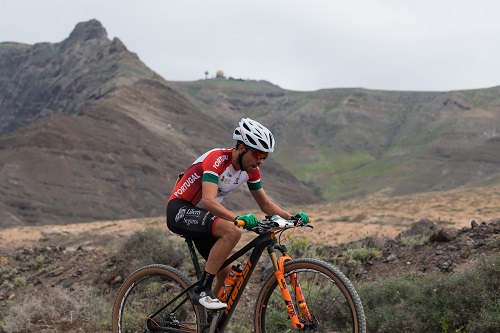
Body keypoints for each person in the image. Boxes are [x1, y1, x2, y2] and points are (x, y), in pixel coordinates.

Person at [166, 117, 309, 310]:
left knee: (230, 274)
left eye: (264, 157)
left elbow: (265, 205)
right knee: (233, 231)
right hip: (180, 210)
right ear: (242, 148)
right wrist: (236, 218)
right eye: (257, 154)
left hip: (202, 219)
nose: (260, 161)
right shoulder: (217, 159)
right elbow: (208, 201)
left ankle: (203, 324)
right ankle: (203, 291)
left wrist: (291, 217)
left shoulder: (251, 171)